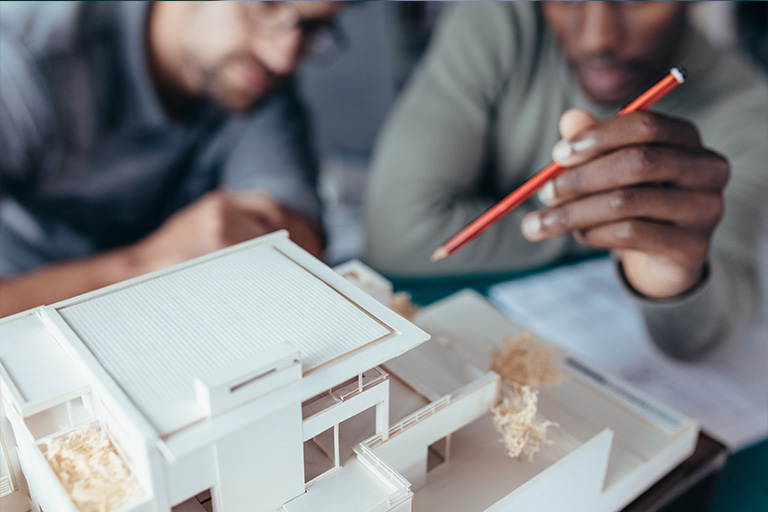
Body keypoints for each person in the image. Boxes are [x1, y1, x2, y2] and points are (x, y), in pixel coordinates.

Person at [365, 2, 768, 358]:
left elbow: (708, 332)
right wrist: (591, 223)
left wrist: (675, 277)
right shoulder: (499, 15)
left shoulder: (747, 110)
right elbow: (401, 234)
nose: (597, 39)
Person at [0, 1, 344, 317]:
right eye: (268, 5)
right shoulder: (23, 60)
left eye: (313, 27)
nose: (283, 58)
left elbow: (300, 235)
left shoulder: (256, 82)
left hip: (173, 315)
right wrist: (141, 265)